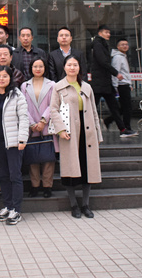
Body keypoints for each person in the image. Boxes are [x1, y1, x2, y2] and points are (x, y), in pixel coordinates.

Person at [50, 55, 102, 219]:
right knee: (70, 169)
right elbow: (53, 110)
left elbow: (94, 111)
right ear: (64, 67)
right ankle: (74, 205)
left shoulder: (86, 87)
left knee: (88, 169)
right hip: (69, 133)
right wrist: (60, 129)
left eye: (75, 65)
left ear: (79, 67)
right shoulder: (58, 87)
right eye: (69, 65)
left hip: (87, 132)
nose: (72, 68)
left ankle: (85, 204)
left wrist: (98, 134)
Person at [0, 66, 29, 226]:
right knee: (3, 175)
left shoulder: (17, 95)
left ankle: (16, 209)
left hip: (13, 142)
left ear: (10, 78)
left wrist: (22, 139)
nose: (1, 79)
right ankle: (7, 205)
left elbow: (24, 118)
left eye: (5, 76)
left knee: (15, 176)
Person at [90, 25, 137, 138]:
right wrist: (116, 73)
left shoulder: (102, 44)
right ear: (100, 33)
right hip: (100, 82)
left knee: (114, 107)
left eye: (109, 32)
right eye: (106, 32)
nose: (109, 35)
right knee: (92, 108)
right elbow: (102, 61)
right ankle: (87, 130)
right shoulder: (98, 44)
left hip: (105, 82)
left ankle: (123, 129)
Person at [20, 57, 55, 198]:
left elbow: (53, 104)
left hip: (46, 125)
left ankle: (47, 186)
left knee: (48, 158)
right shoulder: (25, 86)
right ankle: (35, 186)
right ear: (31, 68)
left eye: (41, 66)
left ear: (45, 68)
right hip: (31, 126)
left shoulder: (52, 85)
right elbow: (23, 106)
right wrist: (32, 123)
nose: (38, 69)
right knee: (33, 158)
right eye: (35, 66)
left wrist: (43, 120)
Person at [106, 39, 134, 133]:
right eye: (122, 44)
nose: (125, 46)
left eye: (126, 44)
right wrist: (115, 86)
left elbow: (125, 73)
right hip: (121, 85)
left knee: (124, 108)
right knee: (127, 108)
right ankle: (127, 127)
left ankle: (109, 120)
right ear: (118, 47)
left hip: (125, 84)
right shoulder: (117, 57)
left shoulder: (123, 56)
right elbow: (115, 72)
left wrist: (130, 84)